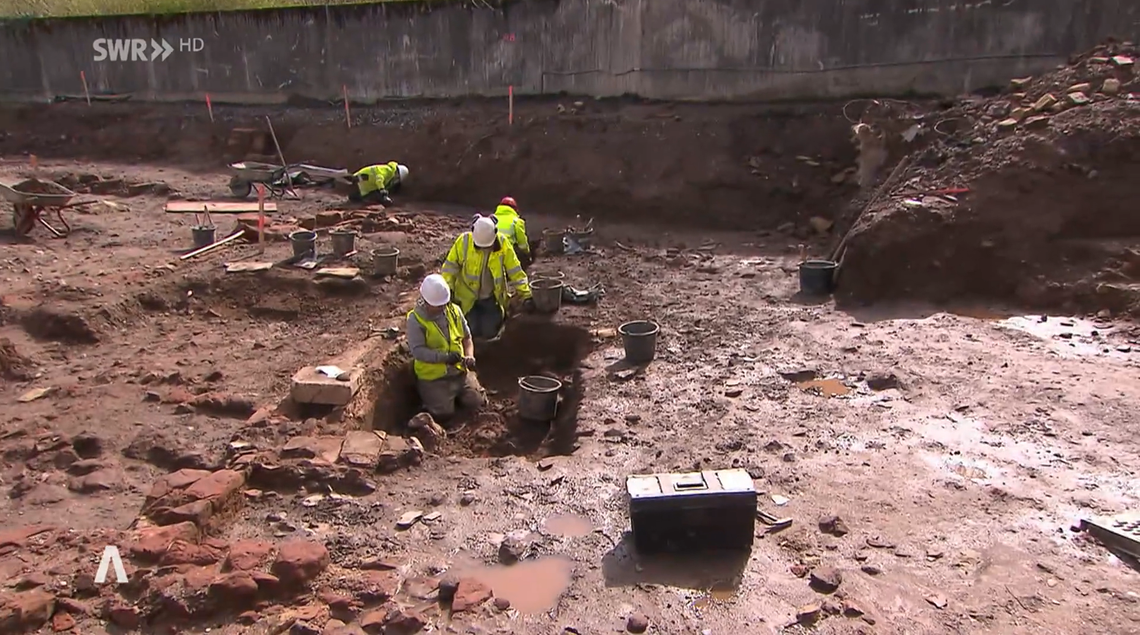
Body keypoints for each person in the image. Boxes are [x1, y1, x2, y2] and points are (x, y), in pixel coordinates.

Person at [406, 274, 486, 421]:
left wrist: (469, 356)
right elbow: (418, 352)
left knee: (476, 402)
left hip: (459, 373)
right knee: (443, 414)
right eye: (438, 306)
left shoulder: (454, 311)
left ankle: (466, 387)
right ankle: (426, 400)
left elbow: (467, 338)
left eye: (444, 304)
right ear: (425, 301)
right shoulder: (415, 320)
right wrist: (444, 358)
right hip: (434, 379)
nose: (443, 308)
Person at [441, 215, 533, 340]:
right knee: (470, 330)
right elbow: (450, 268)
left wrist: (526, 294)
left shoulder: (502, 243)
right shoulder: (463, 242)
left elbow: (515, 271)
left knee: (489, 332)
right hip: (466, 298)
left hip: (491, 298)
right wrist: (448, 289)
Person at [493, 196, 532, 270]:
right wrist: (527, 254)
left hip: (491, 252)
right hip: (507, 252)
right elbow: (522, 242)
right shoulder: (516, 221)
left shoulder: (492, 219)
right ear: (514, 209)